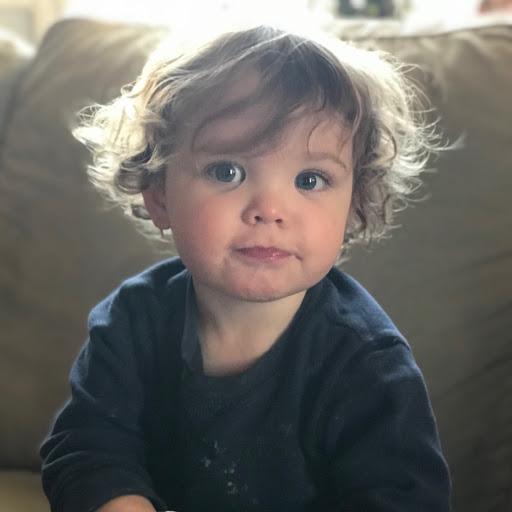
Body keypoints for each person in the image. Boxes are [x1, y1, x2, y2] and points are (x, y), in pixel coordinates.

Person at [40, 23, 451, 512]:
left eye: (310, 179)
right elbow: (87, 452)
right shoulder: (132, 321)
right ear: (159, 195)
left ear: (354, 204)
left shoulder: (368, 365)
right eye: (227, 171)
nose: (270, 209)